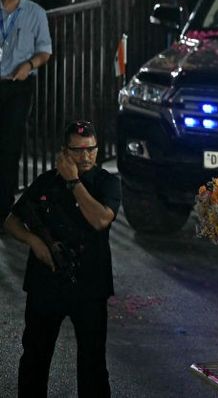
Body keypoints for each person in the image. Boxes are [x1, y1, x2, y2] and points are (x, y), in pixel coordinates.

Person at [4, 120, 120, 397]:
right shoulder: (46, 182)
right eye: (77, 150)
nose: (85, 156)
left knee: (92, 364)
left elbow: (100, 220)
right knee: (35, 358)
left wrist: (73, 182)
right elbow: (11, 221)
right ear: (64, 152)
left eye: (90, 149)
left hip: (89, 285)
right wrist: (34, 241)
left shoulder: (106, 183)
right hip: (47, 282)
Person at [0, 0, 51, 221]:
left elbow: (45, 51)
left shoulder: (36, 13)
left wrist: (29, 64)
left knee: (10, 147)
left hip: (18, 85)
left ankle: (4, 209)